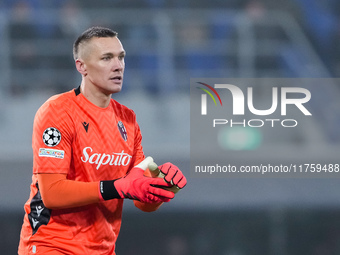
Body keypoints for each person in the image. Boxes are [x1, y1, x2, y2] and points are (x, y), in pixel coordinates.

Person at [18, 26, 187, 255]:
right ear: (82, 66)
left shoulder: (128, 120)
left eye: (121, 57)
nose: (118, 66)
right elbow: (52, 192)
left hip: (103, 250)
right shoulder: (58, 112)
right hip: (52, 246)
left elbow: (141, 200)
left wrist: (160, 185)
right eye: (106, 58)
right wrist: (117, 187)